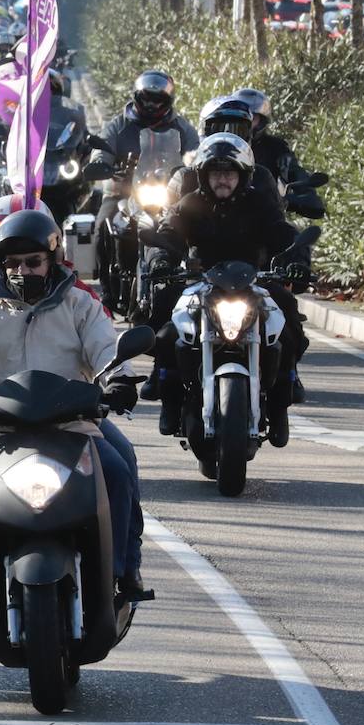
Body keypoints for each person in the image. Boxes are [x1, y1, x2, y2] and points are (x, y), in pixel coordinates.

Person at [0, 210, 147, 608]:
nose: (23, 271)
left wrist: (118, 380)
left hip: (75, 422)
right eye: (13, 263)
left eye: (33, 262)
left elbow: (106, 347)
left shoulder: (81, 301)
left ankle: (124, 568)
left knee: (120, 469)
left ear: (53, 259)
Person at [144, 133, 311, 446]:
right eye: (216, 173)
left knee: (287, 323)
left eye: (229, 173)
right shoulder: (190, 203)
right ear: (204, 176)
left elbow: (284, 233)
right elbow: (168, 234)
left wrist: (297, 259)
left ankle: (281, 399)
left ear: (242, 176)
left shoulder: (260, 203)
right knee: (165, 329)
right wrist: (160, 260)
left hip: (254, 281)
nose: (223, 179)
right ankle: (168, 394)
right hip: (200, 282)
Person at [84, 70, 199, 296]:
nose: (151, 104)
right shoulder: (119, 124)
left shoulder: (181, 127)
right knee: (102, 225)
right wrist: (102, 163)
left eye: (158, 100)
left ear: (168, 101)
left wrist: (193, 166)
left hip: (169, 192)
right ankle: (107, 292)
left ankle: (191, 283)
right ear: (137, 96)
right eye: (147, 98)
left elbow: (195, 152)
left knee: (194, 221)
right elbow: (102, 149)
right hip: (122, 191)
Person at [234, 87, 326, 219]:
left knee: (291, 237)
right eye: (242, 117)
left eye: (252, 117)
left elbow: (294, 171)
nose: (247, 122)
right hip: (223, 218)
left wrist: (303, 195)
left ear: (261, 121)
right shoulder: (221, 144)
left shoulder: (276, 147)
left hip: (266, 218)